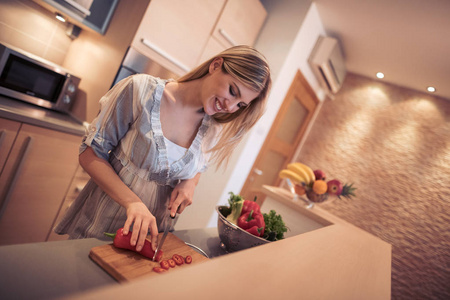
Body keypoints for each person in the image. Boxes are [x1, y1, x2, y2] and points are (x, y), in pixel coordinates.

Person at [54, 45, 271, 253]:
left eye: (240, 105)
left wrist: (189, 183)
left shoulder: (212, 129)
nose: (230, 107)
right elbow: (89, 154)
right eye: (233, 91)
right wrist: (133, 203)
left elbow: (196, 168)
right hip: (100, 227)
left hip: (153, 240)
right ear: (215, 66)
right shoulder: (139, 90)